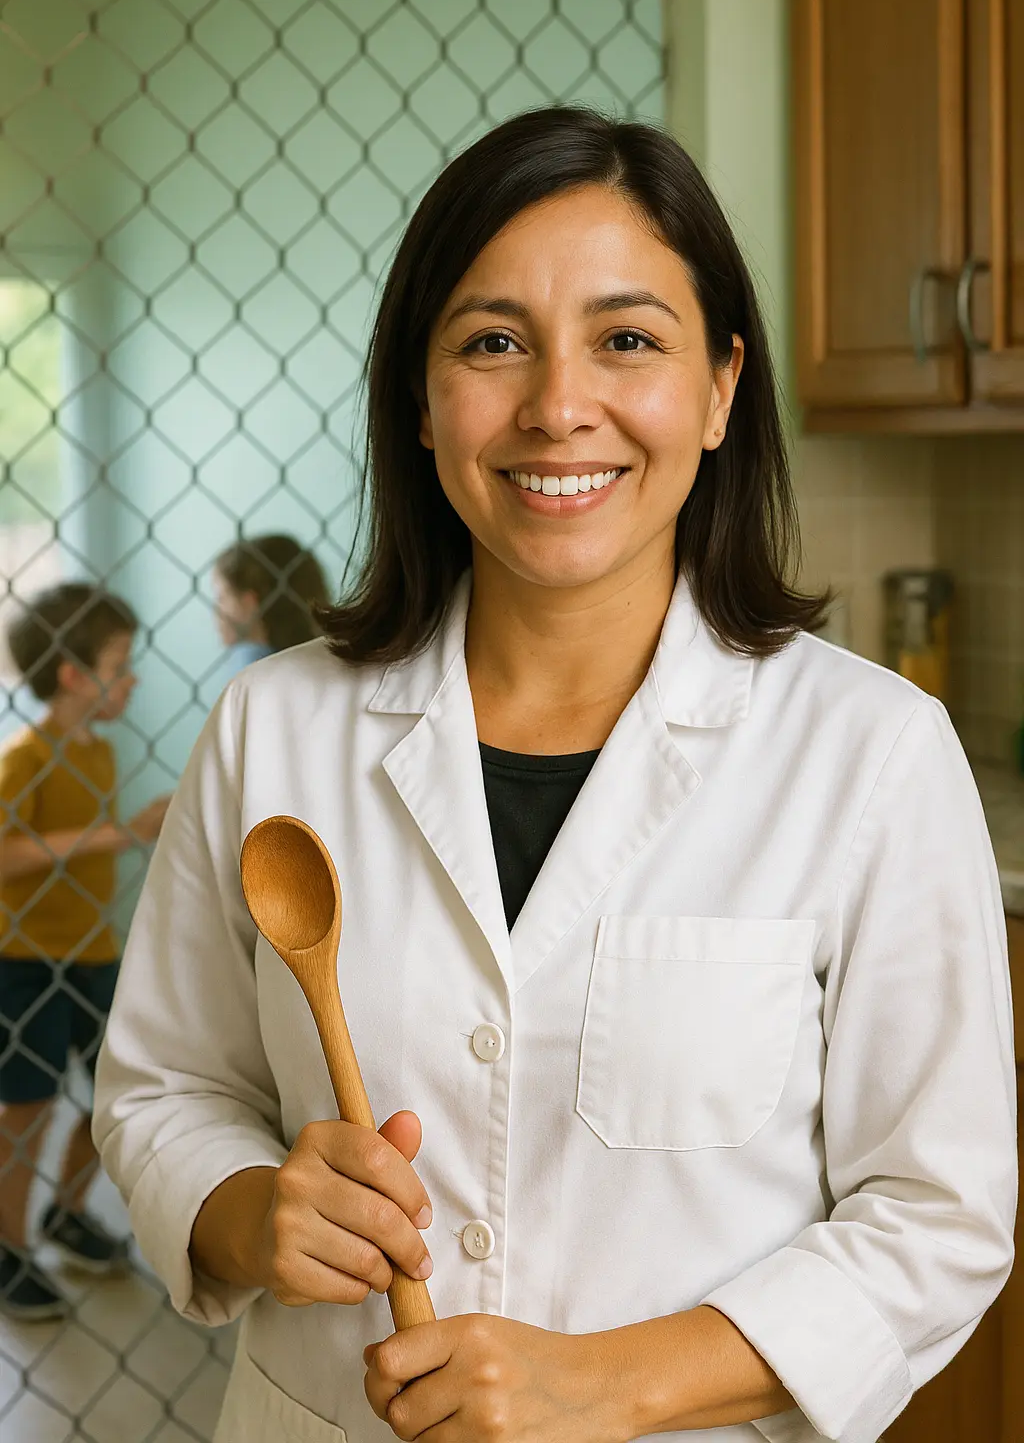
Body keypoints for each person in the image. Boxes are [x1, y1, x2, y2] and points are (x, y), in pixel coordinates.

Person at [94, 109, 1015, 1443]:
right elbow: (167, 1091)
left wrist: (608, 1382)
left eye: (627, 340)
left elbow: (939, 1219)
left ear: (717, 391)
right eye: (492, 343)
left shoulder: (870, 755)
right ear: (421, 400)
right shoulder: (272, 729)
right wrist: (252, 1214)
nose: (557, 405)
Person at [0, 583, 170, 1320]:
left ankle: (66, 1212)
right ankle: (9, 1249)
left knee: (115, 1091)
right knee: (29, 1109)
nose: (130, 680)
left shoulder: (97, 753)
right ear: (74, 675)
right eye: (119, 665)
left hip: (94, 957)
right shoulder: (27, 756)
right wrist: (125, 834)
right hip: (25, 960)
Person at [212, 535, 330, 683]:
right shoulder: (329, 660)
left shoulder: (248, 661)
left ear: (249, 601)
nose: (215, 610)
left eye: (221, 598)